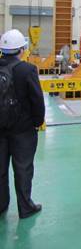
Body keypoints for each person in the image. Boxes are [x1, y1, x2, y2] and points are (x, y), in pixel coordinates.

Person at [0, 29, 45, 219]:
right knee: (23, 169)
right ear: (21, 49)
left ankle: (1, 205)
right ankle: (25, 207)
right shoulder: (27, 69)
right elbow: (37, 100)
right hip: (23, 130)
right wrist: (37, 122)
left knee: (1, 169)